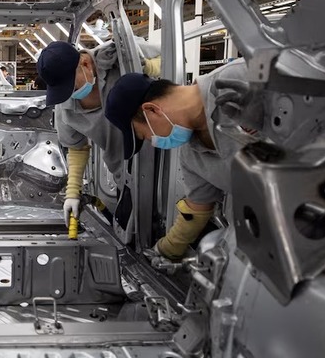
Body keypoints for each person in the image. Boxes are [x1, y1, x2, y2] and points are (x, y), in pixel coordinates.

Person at [103, 60, 255, 261]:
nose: (153, 142)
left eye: (146, 135)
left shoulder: (239, 78)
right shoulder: (191, 156)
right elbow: (196, 211)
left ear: (152, 110)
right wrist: (164, 250)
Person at [36, 40, 160, 229]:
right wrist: (72, 192)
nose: (69, 95)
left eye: (72, 87)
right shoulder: (65, 107)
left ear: (85, 64)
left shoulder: (121, 54)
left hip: (165, 166)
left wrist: (149, 68)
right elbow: (77, 148)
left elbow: (176, 58)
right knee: (134, 233)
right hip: (126, 178)